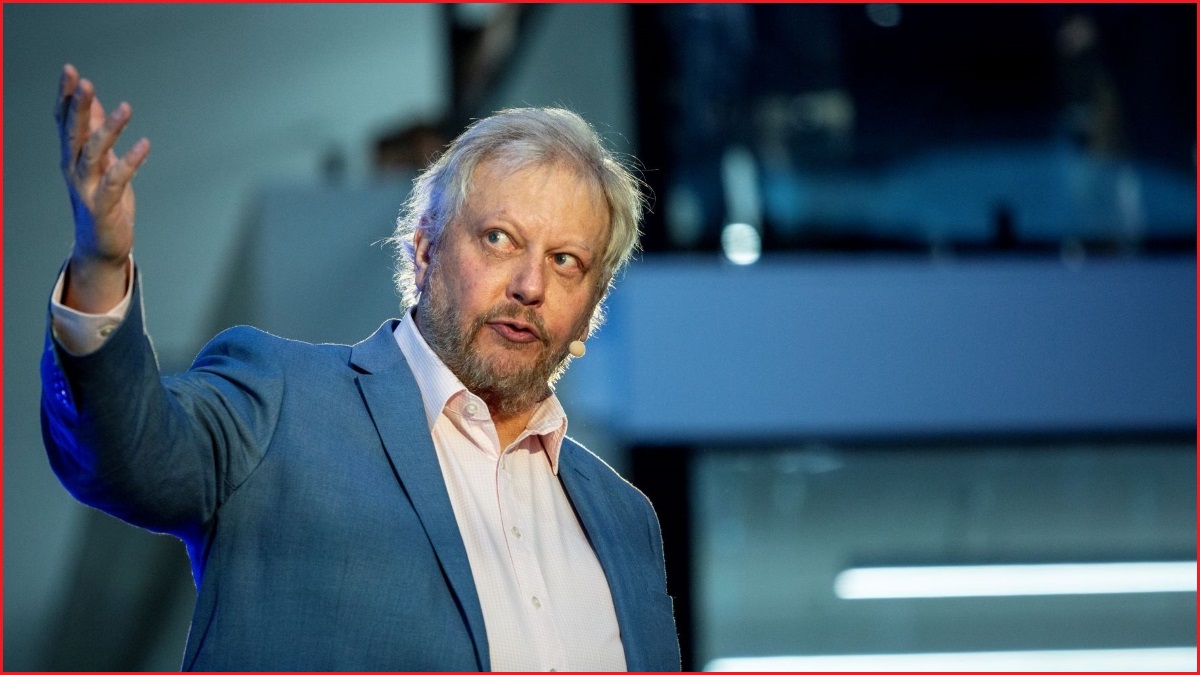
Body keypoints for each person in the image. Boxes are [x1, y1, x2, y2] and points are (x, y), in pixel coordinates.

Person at [41, 64, 681, 671]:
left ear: (593, 305)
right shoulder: (280, 401)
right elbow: (127, 458)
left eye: (567, 260)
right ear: (426, 247)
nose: (530, 284)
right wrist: (100, 269)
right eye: (498, 239)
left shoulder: (625, 518)